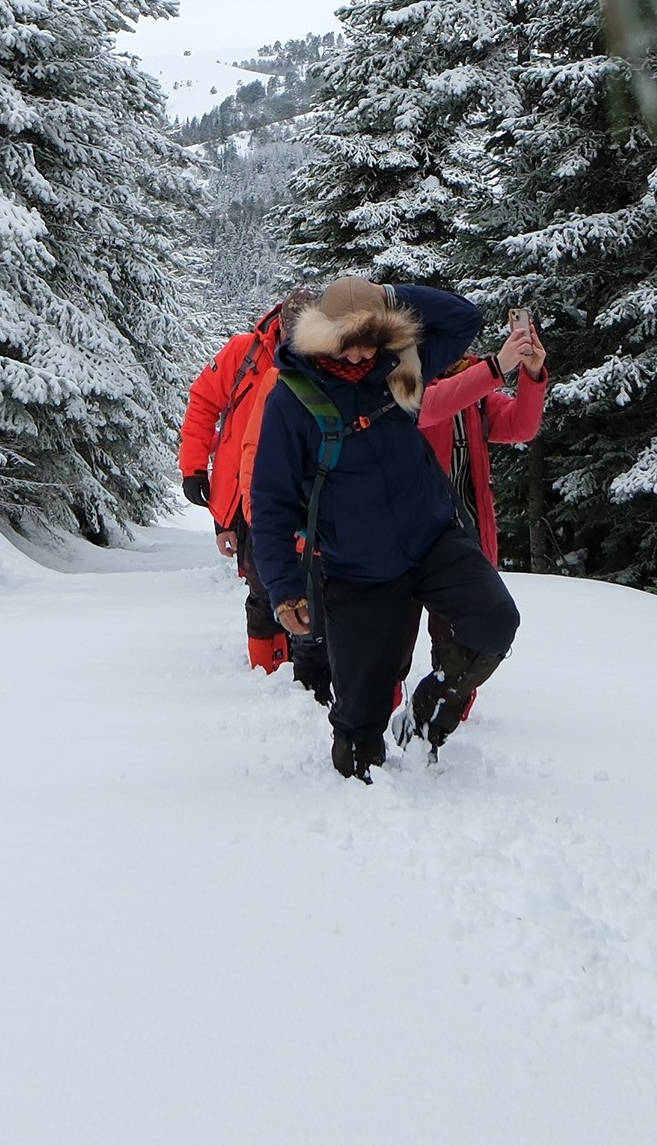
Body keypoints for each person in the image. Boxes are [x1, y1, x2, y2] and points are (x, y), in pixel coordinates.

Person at [245, 275, 521, 781]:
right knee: (354, 745)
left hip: (432, 539)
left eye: (370, 341)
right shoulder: (293, 400)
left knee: (495, 623)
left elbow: (465, 319)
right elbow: (270, 504)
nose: (358, 357)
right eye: (346, 344)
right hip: (359, 570)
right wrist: (285, 590)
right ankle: (366, 750)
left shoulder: (399, 367)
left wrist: (387, 296)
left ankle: (426, 716)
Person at [175, 289, 327, 691]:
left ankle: (300, 662)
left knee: (305, 581)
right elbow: (203, 402)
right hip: (241, 494)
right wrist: (193, 466)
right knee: (262, 585)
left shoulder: (325, 361)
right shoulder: (245, 353)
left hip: (297, 489)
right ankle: (269, 673)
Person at [411, 305, 548, 736]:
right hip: (412, 535)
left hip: (466, 531)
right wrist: (495, 367)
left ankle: (441, 715)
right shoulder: (407, 381)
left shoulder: (475, 387)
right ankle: (383, 720)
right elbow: (432, 407)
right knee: (389, 642)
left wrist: (531, 375)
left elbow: (519, 426)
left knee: (459, 636)